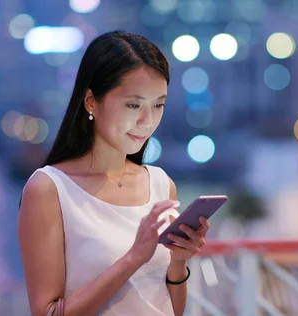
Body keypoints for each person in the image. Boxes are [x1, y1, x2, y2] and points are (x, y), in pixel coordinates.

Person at [17, 30, 210, 316]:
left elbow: (171, 310)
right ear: (91, 101)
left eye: (158, 105)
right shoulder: (49, 189)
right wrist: (133, 258)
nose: (147, 121)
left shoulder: (160, 185)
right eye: (133, 105)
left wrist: (178, 261)